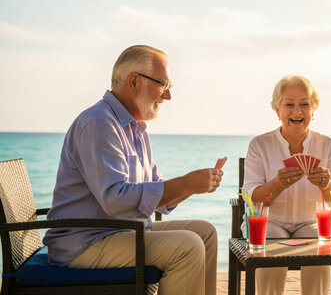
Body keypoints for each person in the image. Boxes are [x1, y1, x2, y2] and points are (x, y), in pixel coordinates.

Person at [43, 45, 220, 295]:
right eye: (163, 85)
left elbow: (157, 199)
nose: (168, 97)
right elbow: (115, 200)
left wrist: (194, 185)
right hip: (86, 243)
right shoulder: (99, 124)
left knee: (205, 233)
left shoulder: (135, 128)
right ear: (134, 81)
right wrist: (186, 183)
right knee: (187, 246)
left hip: (122, 231)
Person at [242, 74, 331, 295]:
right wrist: (277, 184)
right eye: (289, 105)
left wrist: (327, 185)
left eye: (304, 105)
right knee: (272, 239)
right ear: (277, 109)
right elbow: (252, 198)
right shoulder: (259, 145)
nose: (297, 111)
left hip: (311, 222)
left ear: (313, 109)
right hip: (271, 221)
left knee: (320, 242)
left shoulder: (328, 145)